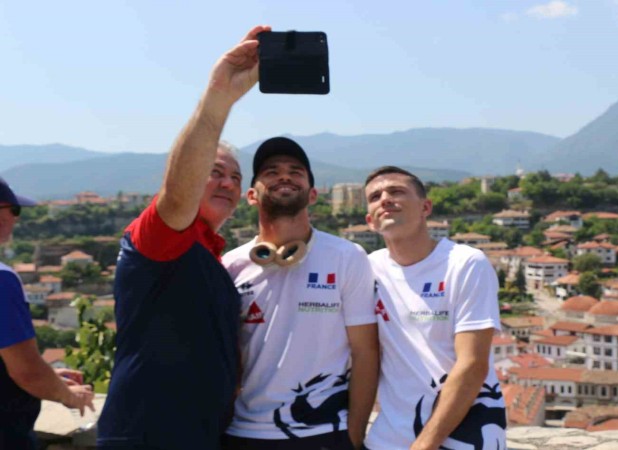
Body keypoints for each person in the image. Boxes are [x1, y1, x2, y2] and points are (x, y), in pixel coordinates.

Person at [97, 25, 272, 450]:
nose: (228, 183)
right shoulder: (161, 240)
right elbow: (177, 197)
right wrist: (219, 98)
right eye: (215, 172)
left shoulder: (212, 256)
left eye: (236, 177)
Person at [221, 136, 379, 450]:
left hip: (324, 433)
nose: (285, 176)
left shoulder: (347, 257)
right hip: (243, 433)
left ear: (313, 194)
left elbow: (365, 352)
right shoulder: (231, 266)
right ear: (251, 195)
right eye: (271, 171)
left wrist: (353, 435)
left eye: (296, 172)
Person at [362, 166, 506, 450]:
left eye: (397, 191)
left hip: (466, 435)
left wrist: (424, 445)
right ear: (370, 221)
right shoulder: (369, 269)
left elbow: (473, 364)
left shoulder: (465, 263)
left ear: (425, 207)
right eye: (375, 196)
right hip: (388, 437)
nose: (385, 199)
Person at [0, 177, 95, 450]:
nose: (16, 219)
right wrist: (69, 396)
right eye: (14, 209)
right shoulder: (3, 280)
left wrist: (50, 376)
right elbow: (27, 372)